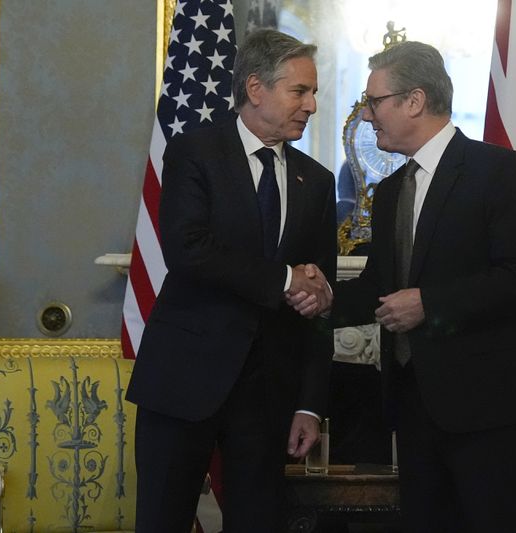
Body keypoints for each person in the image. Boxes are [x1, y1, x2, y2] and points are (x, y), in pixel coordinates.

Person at [312, 41, 516, 532]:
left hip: (492, 409)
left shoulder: (498, 171)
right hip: (415, 408)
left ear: (414, 101)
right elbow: (381, 286)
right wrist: (323, 298)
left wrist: (430, 304)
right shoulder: (390, 192)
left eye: (374, 101)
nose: (366, 113)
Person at [126, 29, 336, 532]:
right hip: (184, 381)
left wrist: (309, 403)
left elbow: (319, 294)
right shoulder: (194, 153)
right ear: (257, 88)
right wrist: (286, 280)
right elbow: (188, 250)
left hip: (268, 397)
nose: (310, 105)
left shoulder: (317, 180)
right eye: (299, 91)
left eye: (313, 93)